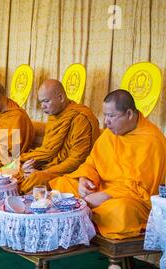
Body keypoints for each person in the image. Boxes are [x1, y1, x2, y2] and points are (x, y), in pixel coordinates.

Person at [49, 89, 166, 239]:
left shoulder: (152, 141)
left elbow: (140, 188)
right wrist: (85, 179)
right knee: (63, 183)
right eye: (105, 115)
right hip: (100, 189)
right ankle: (83, 213)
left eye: (111, 116)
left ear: (129, 114)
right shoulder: (111, 132)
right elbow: (92, 162)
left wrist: (105, 196)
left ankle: (80, 214)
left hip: (130, 199)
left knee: (121, 211)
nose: (106, 122)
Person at [18, 79, 100, 193]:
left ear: (61, 98)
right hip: (49, 166)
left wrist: (45, 173)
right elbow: (48, 150)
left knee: (34, 179)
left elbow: (77, 160)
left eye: (46, 101)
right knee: (16, 169)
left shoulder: (81, 118)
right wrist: (29, 165)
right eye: (41, 102)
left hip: (70, 172)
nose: (42, 106)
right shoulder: (54, 116)